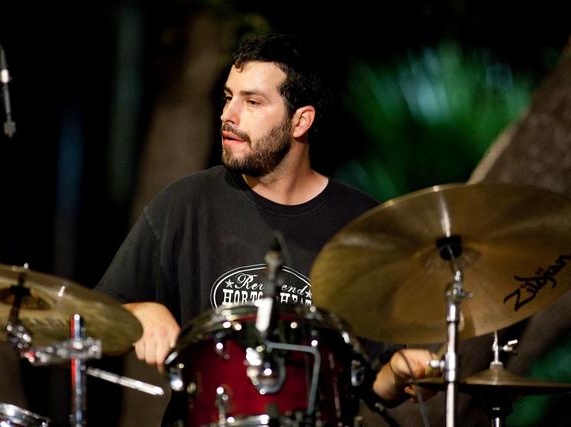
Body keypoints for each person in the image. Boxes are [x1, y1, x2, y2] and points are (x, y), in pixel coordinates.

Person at [96, 33, 437, 423]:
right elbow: (90, 321)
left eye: (253, 102)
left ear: (300, 121)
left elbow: (375, 381)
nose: (228, 115)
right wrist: (140, 311)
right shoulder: (185, 203)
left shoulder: (363, 226)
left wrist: (398, 372)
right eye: (228, 97)